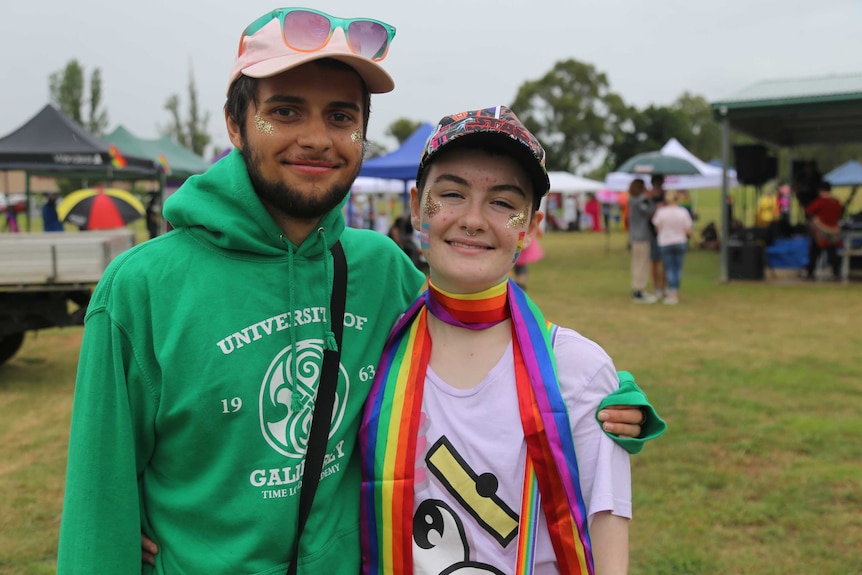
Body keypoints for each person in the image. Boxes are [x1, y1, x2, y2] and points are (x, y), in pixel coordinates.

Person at [58, 8, 648, 575]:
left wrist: (594, 391)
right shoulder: (141, 289)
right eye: (285, 112)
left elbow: (473, 325)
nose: (317, 138)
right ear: (236, 123)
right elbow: (97, 505)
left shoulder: (379, 269)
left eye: (341, 117)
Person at [360, 106, 664, 575]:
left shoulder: (577, 370)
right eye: (452, 194)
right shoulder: (371, 350)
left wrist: (596, 386)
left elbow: (607, 541)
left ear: (531, 226)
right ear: (420, 206)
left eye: (503, 203)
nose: (474, 219)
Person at [651, 190, 693, 305]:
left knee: (668, 267)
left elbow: (658, 228)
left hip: (665, 242)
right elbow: (688, 230)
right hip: (680, 241)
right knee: (677, 268)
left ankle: (671, 291)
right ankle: (674, 290)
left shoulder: (661, 212)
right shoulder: (683, 212)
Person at [804, 181, 843, 280]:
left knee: (814, 253)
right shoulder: (836, 202)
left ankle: (810, 273)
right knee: (832, 253)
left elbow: (808, 211)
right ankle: (836, 273)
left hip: (820, 232)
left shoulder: (819, 202)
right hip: (833, 232)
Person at [627, 178, 656, 303]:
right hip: (642, 236)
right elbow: (649, 211)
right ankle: (639, 291)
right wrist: (650, 199)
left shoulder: (631, 200)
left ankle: (637, 288)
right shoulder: (641, 200)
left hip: (634, 236)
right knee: (642, 264)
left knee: (637, 263)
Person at [648, 174, 667, 299]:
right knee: (654, 262)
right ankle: (657, 287)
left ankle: (664, 286)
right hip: (653, 233)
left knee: (664, 262)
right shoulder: (649, 198)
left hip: (665, 233)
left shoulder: (667, 198)